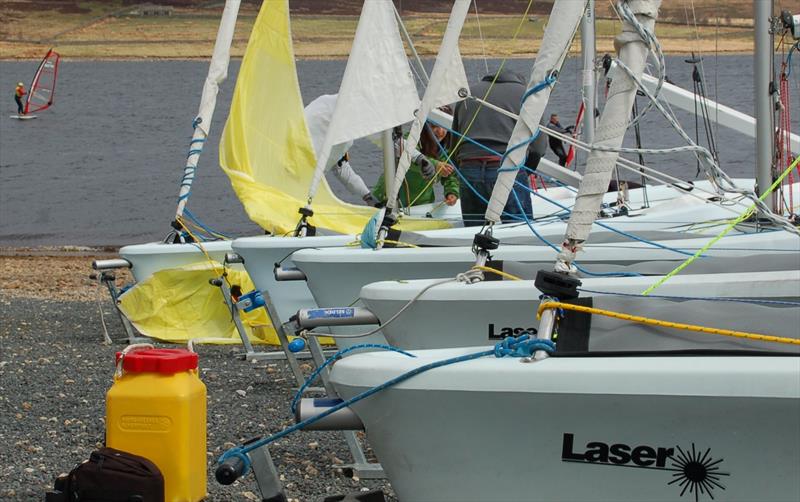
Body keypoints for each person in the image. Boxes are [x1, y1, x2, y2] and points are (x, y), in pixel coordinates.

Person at [450, 70, 540, 226]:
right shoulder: (526, 95)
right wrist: (528, 170)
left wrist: (462, 170)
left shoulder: (469, 93)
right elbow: (538, 146)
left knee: (474, 231)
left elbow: (453, 144)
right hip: (507, 168)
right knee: (518, 230)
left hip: (469, 169)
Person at [371, 114, 460, 208]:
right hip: (388, 198)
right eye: (434, 126)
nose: (440, 131)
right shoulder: (410, 139)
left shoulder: (448, 149)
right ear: (424, 126)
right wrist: (435, 165)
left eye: (444, 127)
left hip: (421, 204)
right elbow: (407, 158)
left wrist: (452, 192)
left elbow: (451, 176)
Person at [304, 94, 377, 205]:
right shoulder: (330, 114)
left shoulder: (327, 103)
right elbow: (382, 137)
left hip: (305, 182)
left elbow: (341, 166)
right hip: (296, 175)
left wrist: (367, 196)